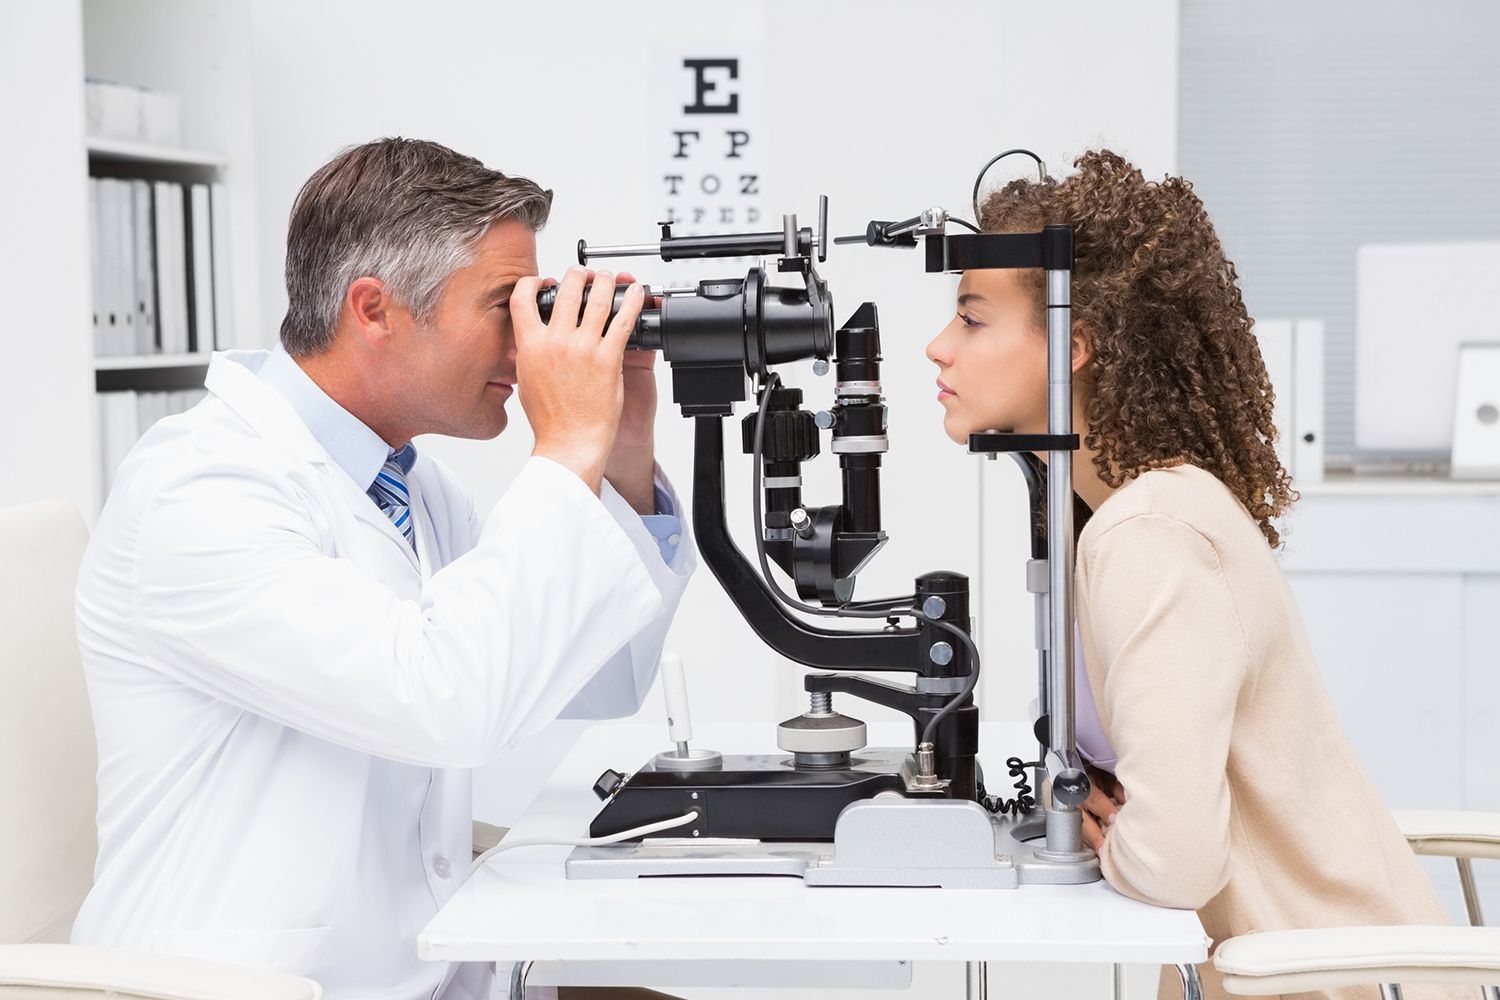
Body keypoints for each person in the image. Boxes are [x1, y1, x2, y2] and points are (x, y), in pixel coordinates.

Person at [71, 137, 694, 1000]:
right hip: (251, 984)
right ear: (375, 310)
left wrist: (619, 442)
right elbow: (449, 700)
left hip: (423, 969)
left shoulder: (400, 483)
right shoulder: (200, 490)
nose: (527, 346)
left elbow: (591, 674)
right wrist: (565, 443)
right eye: (504, 308)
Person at [925, 149, 1459, 999]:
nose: (938, 347)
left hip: (1333, 983)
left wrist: (1114, 832)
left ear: (1074, 346)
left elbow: (1173, 863)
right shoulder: (1113, 514)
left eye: (974, 319)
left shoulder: (1149, 533)